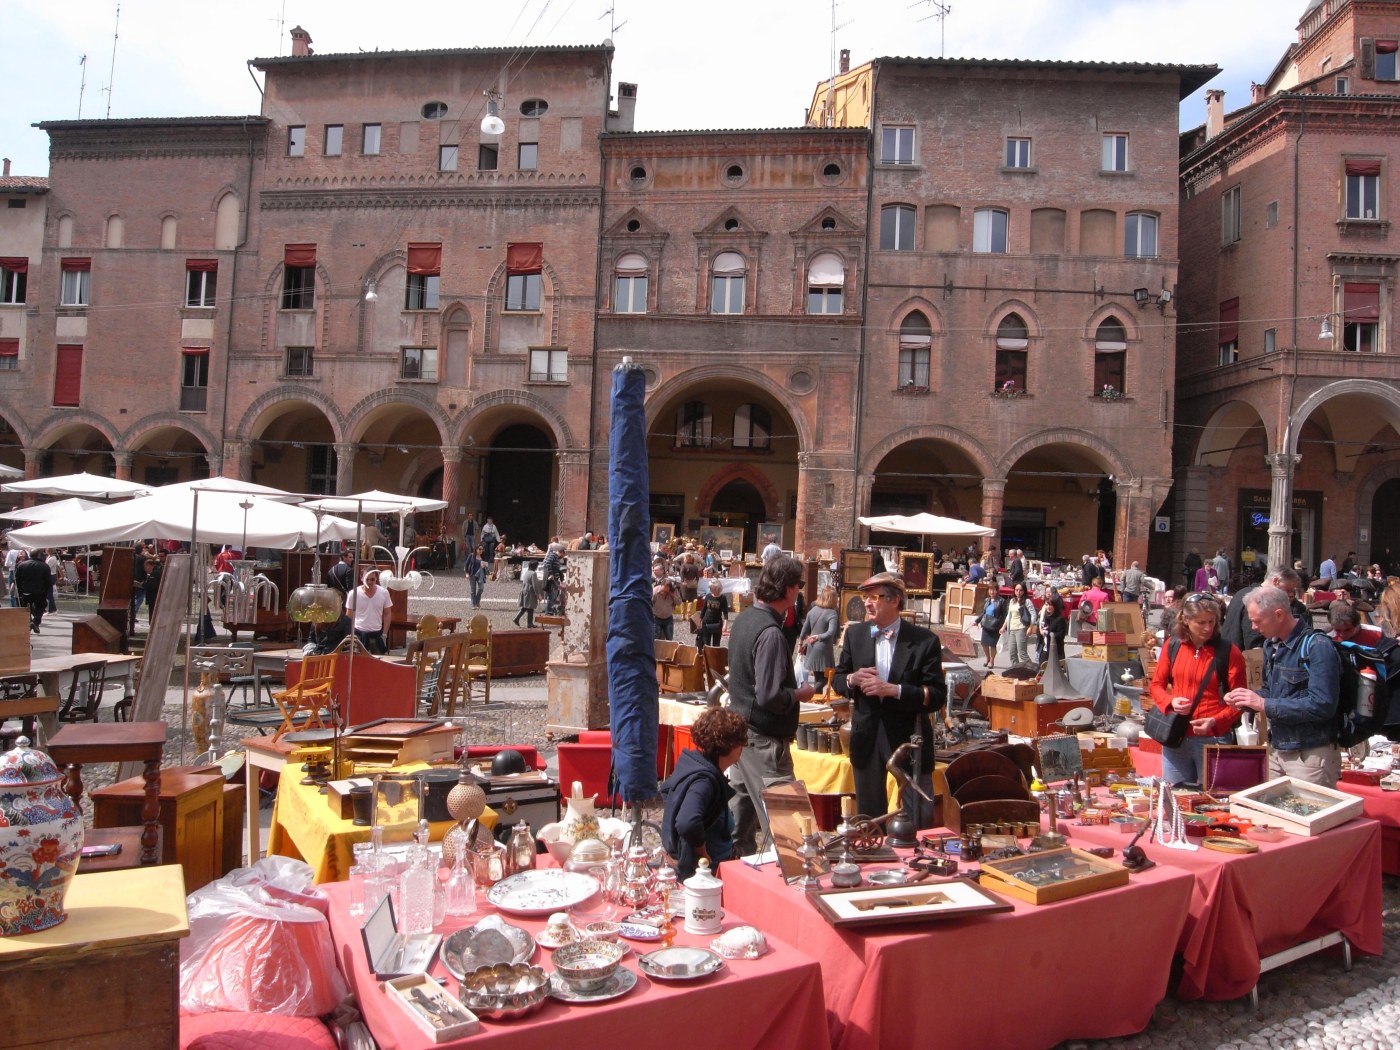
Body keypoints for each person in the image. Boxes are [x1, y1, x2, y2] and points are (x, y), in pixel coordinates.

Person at [832, 572, 946, 823]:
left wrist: (894, 690)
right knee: (869, 818)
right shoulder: (855, 635)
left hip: (908, 740)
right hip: (866, 737)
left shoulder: (924, 641)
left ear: (894, 600)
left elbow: (938, 696)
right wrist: (852, 679)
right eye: (865, 597)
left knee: (914, 819)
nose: (867, 603)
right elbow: (838, 679)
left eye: (874, 597)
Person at [726, 555, 816, 855]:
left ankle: (732, 866)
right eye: (798, 585)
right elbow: (769, 696)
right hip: (762, 739)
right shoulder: (770, 633)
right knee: (788, 826)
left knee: (740, 817)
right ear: (788, 589)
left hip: (743, 730)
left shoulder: (745, 619)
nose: (799, 591)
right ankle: (796, 873)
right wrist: (800, 693)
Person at [1224, 584, 1343, 786]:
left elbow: (1322, 704)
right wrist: (1246, 700)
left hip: (1309, 754)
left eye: (1257, 621)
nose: (1253, 627)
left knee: (1307, 806)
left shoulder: (1318, 646)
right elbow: (1272, 692)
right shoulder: (1271, 644)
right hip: (1278, 748)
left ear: (1279, 615)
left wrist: (1263, 704)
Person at [1149, 592, 1246, 786]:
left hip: (1214, 739)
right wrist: (1170, 701)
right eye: (1201, 622)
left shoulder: (1229, 652)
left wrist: (1215, 721)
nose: (1208, 628)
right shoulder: (1172, 646)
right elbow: (1156, 685)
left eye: (1212, 621)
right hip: (1176, 736)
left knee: (1214, 798)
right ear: (1185, 620)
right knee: (1175, 796)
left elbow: (1240, 701)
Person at [661, 708, 748, 879]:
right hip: (704, 876)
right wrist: (702, 853)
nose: (743, 747)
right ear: (728, 746)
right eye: (741, 742)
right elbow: (687, 822)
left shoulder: (697, 765)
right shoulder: (704, 781)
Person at [347, 569, 393, 654]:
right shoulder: (353, 593)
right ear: (361, 578)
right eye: (366, 579)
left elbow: (387, 613)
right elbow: (349, 615)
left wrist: (384, 634)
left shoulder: (384, 592)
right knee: (357, 661)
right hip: (358, 635)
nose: (369, 582)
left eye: (372, 579)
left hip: (377, 635)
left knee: (379, 661)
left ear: (376, 579)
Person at [799, 584, 839, 678]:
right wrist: (818, 637)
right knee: (826, 679)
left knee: (817, 677)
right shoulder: (832, 613)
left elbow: (804, 629)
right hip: (825, 651)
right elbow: (831, 632)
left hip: (811, 648)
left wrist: (800, 644)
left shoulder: (812, 610)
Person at [13, 550, 52, 634]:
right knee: (41, 606)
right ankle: (35, 621)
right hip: (40, 591)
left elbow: (17, 579)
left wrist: (20, 589)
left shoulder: (22, 565)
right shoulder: (44, 566)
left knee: (26, 607)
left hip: (26, 590)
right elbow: (48, 580)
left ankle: (30, 621)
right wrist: (46, 590)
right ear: (38, 555)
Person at [1000, 581, 1036, 669]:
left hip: (1021, 628)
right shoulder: (1012, 601)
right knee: (1012, 653)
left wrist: (1030, 627)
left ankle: (1032, 669)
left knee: (1022, 653)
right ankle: (1016, 671)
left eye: (1020, 590)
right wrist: (1003, 627)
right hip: (1012, 628)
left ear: (1024, 591)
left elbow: (1033, 614)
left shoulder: (1027, 601)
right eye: (1016, 590)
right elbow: (1009, 615)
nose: (1018, 592)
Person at [1038, 586, 1069, 666]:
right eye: (1047, 605)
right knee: (1041, 668)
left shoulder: (1060, 619)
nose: (1048, 607)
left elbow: (1060, 635)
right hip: (1045, 649)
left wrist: (1047, 633)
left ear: (1055, 606)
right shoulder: (1046, 618)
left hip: (1056, 651)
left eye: (1050, 605)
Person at [696, 579, 729, 650]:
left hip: (717, 623)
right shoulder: (708, 596)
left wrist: (725, 624)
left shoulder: (723, 598)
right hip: (706, 623)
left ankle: (714, 657)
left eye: (711, 588)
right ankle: (706, 657)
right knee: (706, 645)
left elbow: (725, 612)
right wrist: (699, 622)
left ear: (716, 588)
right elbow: (703, 609)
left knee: (716, 646)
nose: (710, 589)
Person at [978, 589, 1006, 667]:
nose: (992, 592)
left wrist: (1003, 626)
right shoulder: (987, 600)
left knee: (993, 644)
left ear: (997, 591)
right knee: (984, 643)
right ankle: (987, 658)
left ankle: (992, 660)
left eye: (993, 590)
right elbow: (983, 613)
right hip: (986, 624)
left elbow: (1004, 614)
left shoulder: (1001, 601)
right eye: (990, 590)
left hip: (995, 625)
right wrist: (976, 621)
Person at [512, 561, 542, 627]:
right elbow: (535, 585)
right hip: (530, 592)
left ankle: (516, 618)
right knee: (530, 608)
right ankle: (529, 623)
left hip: (525, 590)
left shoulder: (527, 572)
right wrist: (538, 594)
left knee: (525, 607)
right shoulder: (533, 574)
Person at [463, 544, 487, 610]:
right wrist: (467, 573)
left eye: (482, 549)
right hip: (472, 574)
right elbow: (466, 565)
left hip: (480, 575)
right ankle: (473, 604)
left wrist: (484, 566)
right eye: (480, 549)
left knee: (481, 588)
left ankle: (477, 601)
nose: (481, 550)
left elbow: (486, 566)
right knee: (472, 590)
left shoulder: (483, 556)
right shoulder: (471, 555)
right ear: (476, 549)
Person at [44, 549, 62, 613]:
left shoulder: (52, 559)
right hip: (50, 575)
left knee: (49, 593)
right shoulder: (50, 557)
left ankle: (52, 609)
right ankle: (53, 608)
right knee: (48, 593)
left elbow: (47, 567)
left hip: (50, 576)